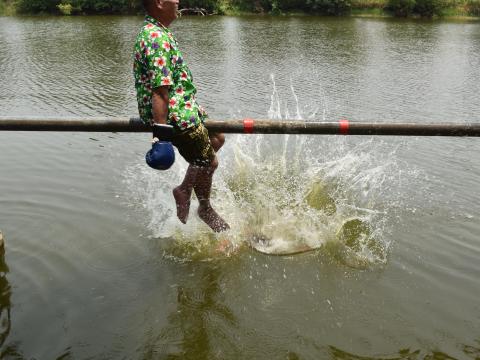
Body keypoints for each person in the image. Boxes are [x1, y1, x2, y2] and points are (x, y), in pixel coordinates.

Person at [134, 0, 229, 232]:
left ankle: (187, 190)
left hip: (186, 107)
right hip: (176, 115)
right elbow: (159, 91)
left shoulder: (159, 31)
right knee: (209, 161)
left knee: (217, 139)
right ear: (158, 3)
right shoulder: (155, 37)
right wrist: (161, 136)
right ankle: (200, 204)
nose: (177, 1)